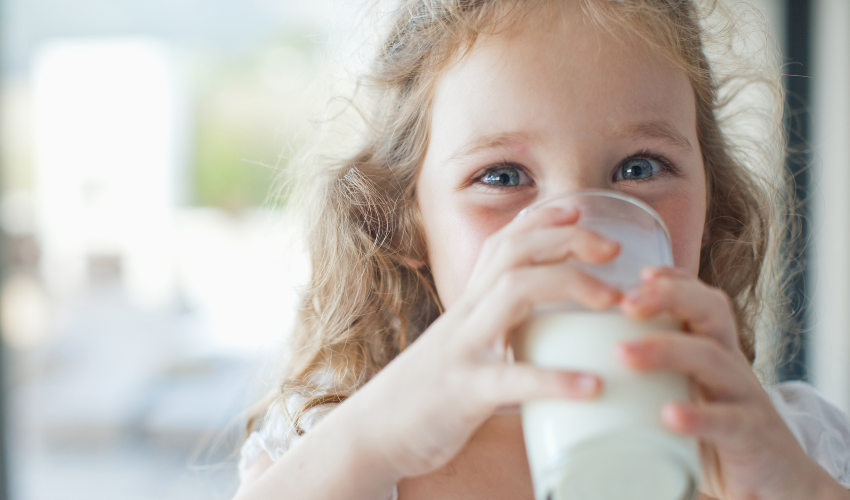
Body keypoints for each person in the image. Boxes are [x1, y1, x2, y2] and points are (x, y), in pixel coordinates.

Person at [233, 0, 850, 499]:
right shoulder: (340, 454)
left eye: (639, 167)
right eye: (502, 177)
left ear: (712, 200)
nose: (580, 234)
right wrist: (370, 443)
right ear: (406, 223)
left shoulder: (790, 449)